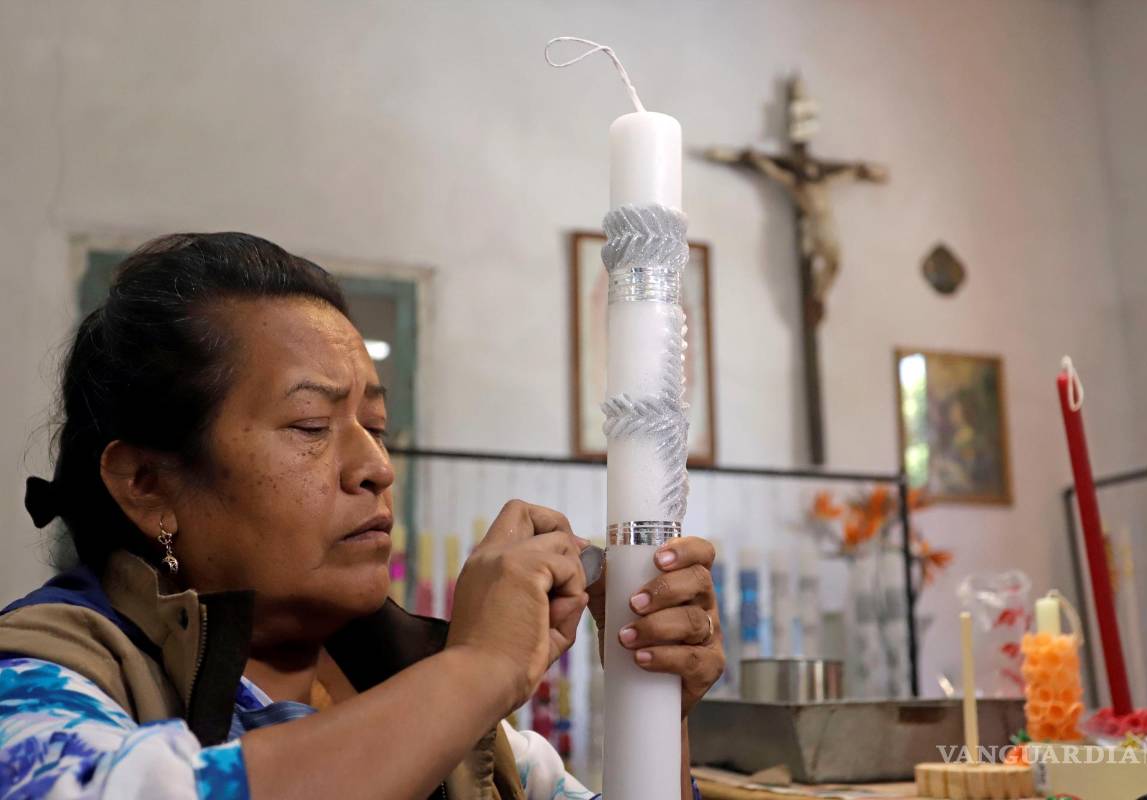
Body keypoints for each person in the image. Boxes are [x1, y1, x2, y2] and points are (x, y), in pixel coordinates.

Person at [0, 233, 725, 799]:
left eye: (376, 427)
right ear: (148, 482)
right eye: (311, 426)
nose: (376, 466)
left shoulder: (415, 690)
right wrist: (482, 665)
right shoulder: (42, 680)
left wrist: (652, 709)